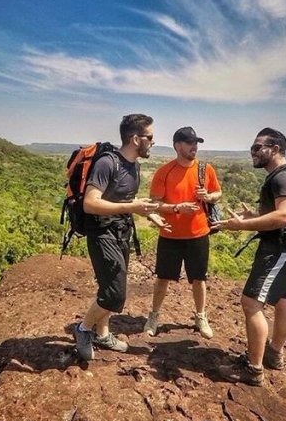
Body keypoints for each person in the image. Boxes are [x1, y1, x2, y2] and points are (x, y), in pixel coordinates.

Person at [213, 127, 286, 386]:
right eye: (252, 148)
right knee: (283, 300)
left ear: (275, 149)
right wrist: (254, 219)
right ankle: (274, 354)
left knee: (251, 303)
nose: (252, 152)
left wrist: (241, 226)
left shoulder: (284, 178)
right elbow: (284, 215)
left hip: (281, 248)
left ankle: (253, 369)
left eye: (257, 148)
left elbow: (285, 216)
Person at [73, 114, 168, 361]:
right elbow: (91, 204)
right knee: (115, 294)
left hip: (121, 232)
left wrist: (148, 215)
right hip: (102, 233)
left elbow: (125, 202)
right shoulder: (107, 163)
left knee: (108, 287)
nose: (152, 142)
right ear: (136, 139)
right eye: (150, 137)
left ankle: (102, 334)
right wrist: (132, 207)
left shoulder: (134, 166)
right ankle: (83, 329)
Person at [143, 126, 222, 339]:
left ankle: (200, 316)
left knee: (199, 278)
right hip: (170, 235)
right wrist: (178, 208)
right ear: (178, 146)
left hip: (199, 234)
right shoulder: (164, 171)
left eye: (196, 143)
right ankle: (154, 316)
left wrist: (208, 197)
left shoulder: (205, 169)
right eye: (190, 143)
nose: (194, 147)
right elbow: (154, 205)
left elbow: (218, 193)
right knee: (163, 278)